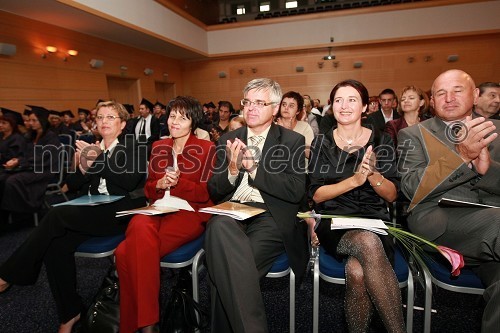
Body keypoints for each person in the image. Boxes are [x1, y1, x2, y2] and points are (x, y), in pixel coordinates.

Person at [0, 101, 147, 333]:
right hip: (91, 209)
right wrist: (80, 167)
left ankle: (9, 274)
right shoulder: (91, 145)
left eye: (110, 117)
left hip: (120, 213)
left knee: (57, 213)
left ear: (122, 124)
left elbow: (127, 182)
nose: (104, 121)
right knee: (54, 244)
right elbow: (74, 185)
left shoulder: (134, 146)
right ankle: (70, 312)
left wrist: (98, 159)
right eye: (100, 117)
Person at [397, 69, 500, 333]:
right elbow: (411, 188)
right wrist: (459, 157)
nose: (449, 98)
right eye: (441, 93)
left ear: (475, 95)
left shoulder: (496, 130)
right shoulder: (414, 135)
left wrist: (487, 171)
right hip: (439, 219)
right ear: (432, 100)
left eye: (457, 90)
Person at [204, 78, 308, 332]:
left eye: (259, 103)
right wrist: (232, 167)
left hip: (270, 215)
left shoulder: (291, 141)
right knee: (218, 227)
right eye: (247, 102)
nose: (250, 108)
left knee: (226, 268)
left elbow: (295, 191)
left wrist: (254, 168)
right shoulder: (228, 139)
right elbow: (215, 191)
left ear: (274, 109)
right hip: (232, 210)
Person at [308, 79, 405, 333]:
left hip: (374, 219)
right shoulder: (322, 142)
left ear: (364, 107)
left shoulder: (382, 140)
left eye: (352, 99)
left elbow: (392, 195)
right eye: (338, 100)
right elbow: (317, 195)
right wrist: (354, 180)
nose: (344, 105)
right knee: (367, 242)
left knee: (357, 272)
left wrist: (373, 176)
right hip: (335, 220)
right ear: (332, 107)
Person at [115, 96, 215, 333]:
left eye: (183, 117)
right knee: (139, 222)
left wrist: (179, 183)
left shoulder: (206, 148)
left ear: (193, 122)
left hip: (190, 212)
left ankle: (136, 324)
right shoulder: (159, 147)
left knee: (123, 252)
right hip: (158, 208)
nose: (176, 122)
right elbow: (148, 187)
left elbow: (206, 193)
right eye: (172, 116)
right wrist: (159, 184)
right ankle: (149, 322)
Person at [0, 107, 61, 222]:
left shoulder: (50, 137)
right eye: (30, 120)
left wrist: (20, 162)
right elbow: (24, 154)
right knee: (3, 177)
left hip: (44, 169)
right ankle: (6, 213)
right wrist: (16, 160)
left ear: (42, 120)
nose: (30, 123)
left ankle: (21, 213)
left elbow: (44, 158)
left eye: (34, 120)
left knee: (13, 181)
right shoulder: (30, 136)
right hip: (30, 167)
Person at [275, 91, 314, 160]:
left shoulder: (305, 127)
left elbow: (311, 154)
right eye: (284, 104)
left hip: (299, 167)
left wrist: (290, 135)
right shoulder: (272, 126)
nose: (286, 108)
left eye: (291, 106)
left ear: (298, 111)